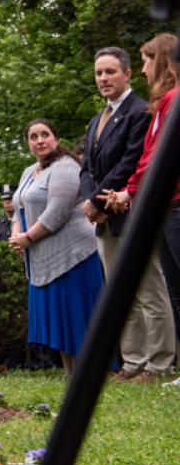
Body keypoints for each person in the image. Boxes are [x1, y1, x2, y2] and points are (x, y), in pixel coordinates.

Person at [79, 46, 170, 380]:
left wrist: (99, 201)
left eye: (110, 71)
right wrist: (92, 201)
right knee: (119, 292)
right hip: (104, 218)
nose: (103, 78)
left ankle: (159, 361)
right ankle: (133, 361)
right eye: (99, 73)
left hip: (131, 211)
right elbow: (86, 166)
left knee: (148, 288)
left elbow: (131, 161)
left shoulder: (140, 111)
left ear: (128, 73)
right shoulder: (96, 120)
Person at [105, 33, 180, 377]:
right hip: (163, 206)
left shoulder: (174, 100)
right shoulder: (163, 102)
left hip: (175, 204)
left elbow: (154, 157)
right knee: (175, 289)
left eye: (148, 61)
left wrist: (128, 191)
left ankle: (164, 361)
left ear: (162, 61)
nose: (144, 69)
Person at [9, 119, 105, 377]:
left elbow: (57, 211)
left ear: (56, 138)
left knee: (77, 316)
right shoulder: (30, 171)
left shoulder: (66, 166)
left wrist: (28, 238)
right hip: (43, 258)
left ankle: (91, 372)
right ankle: (71, 372)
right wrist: (15, 233)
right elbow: (18, 207)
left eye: (45, 135)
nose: (40, 140)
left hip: (73, 253)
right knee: (60, 321)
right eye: (33, 136)